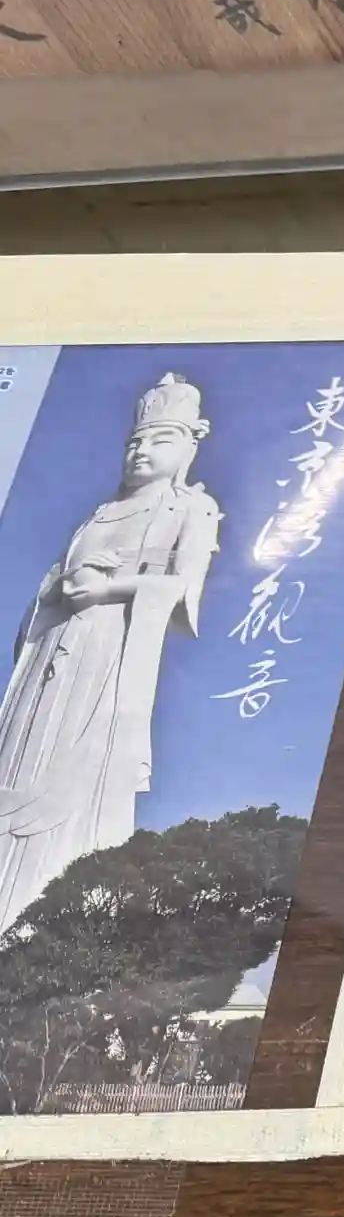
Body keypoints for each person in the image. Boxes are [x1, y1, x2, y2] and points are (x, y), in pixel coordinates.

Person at [0, 374, 221, 933]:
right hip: (51, 656)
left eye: (160, 440)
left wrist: (108, 589)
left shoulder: (191, 509)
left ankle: (53, 919)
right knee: (20, 756)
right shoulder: (96, 516)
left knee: (86, 768)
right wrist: (66, 586)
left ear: (188, 447)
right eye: (135, 442)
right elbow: (52, 586)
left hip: (109, 653)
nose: (142, 451)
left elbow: (180, 588)